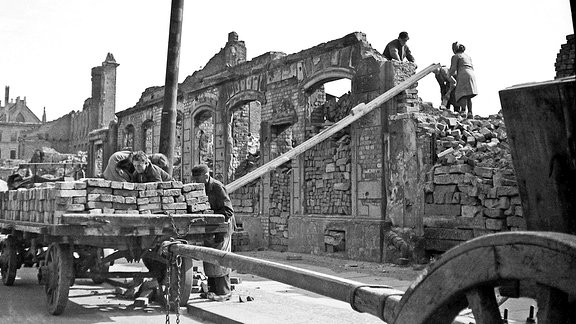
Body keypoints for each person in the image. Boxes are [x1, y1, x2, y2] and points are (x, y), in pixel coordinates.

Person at [191, 164, 235, 301]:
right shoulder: (200, 188)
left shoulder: (217, 187)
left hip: (223, 227)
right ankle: (212, 291)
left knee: (221, 259)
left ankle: (224, 292)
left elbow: (228, 211)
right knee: (209, 259)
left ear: (206, 176)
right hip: (210, 228)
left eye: (197, 179)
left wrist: (212, 216)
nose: (195, 183)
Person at [449, 42, 478, 118]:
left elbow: (453, 69)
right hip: (471, 74)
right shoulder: (467, 56)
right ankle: (470, 112)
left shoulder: (456, 56)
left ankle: (463, 111)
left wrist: (449, 75)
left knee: (462, 93)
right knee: (468, 95)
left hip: (463, 74)